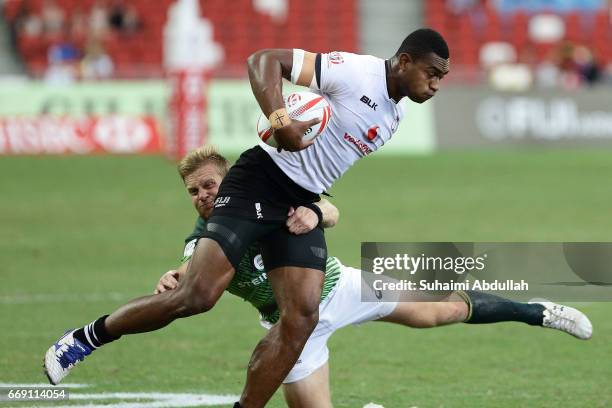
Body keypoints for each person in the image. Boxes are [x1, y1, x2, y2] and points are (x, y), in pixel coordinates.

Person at [44, 29, 481, 408]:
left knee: (301, 317)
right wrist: (281, 119)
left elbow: (323, 166)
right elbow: (264, 61)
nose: (438, 83)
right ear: (404, 61)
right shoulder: (354, 72)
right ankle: (86, 337)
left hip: (297, 201)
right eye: (433, 72)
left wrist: (315, 207)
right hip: (260, 182)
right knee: (197, 296)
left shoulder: (396, 115)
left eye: (443, 76)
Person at [153, 146, 590, 407]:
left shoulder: (265, 194)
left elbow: (333, 210)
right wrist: (175, 278)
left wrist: (315, 211)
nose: (203, 196)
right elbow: (193, 268)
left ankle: (541, 312)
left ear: (228, 180)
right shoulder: (204, 238)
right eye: (193, 190)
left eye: (209, 184)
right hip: (289, 332)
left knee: (441, 311)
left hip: (340, 287)